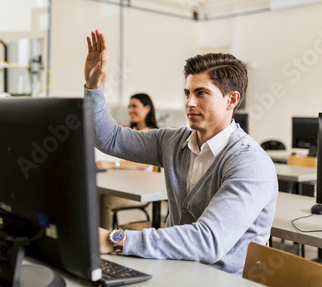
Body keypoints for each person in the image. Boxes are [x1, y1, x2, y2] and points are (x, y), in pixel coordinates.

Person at [84, 30, 277, 275]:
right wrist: (93, 85)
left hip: (221, 280)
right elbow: (108, 138)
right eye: (187, 93)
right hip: (172, 269)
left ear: (232, 100)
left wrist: (116, 239)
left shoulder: (250, 162)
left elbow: (208, 241)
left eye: (201, 93)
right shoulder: (174, 141)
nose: (189, 103)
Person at [97, 93, 159, 229]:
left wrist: (111, 165)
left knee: (105, 201)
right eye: (129, 107)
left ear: (147, 108)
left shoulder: (152, 135)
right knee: (97, 194)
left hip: (141, 191)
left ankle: (105, 241)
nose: (130, 110)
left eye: (134, 106)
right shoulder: (133, 132)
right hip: (126, 185)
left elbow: (142, 165)